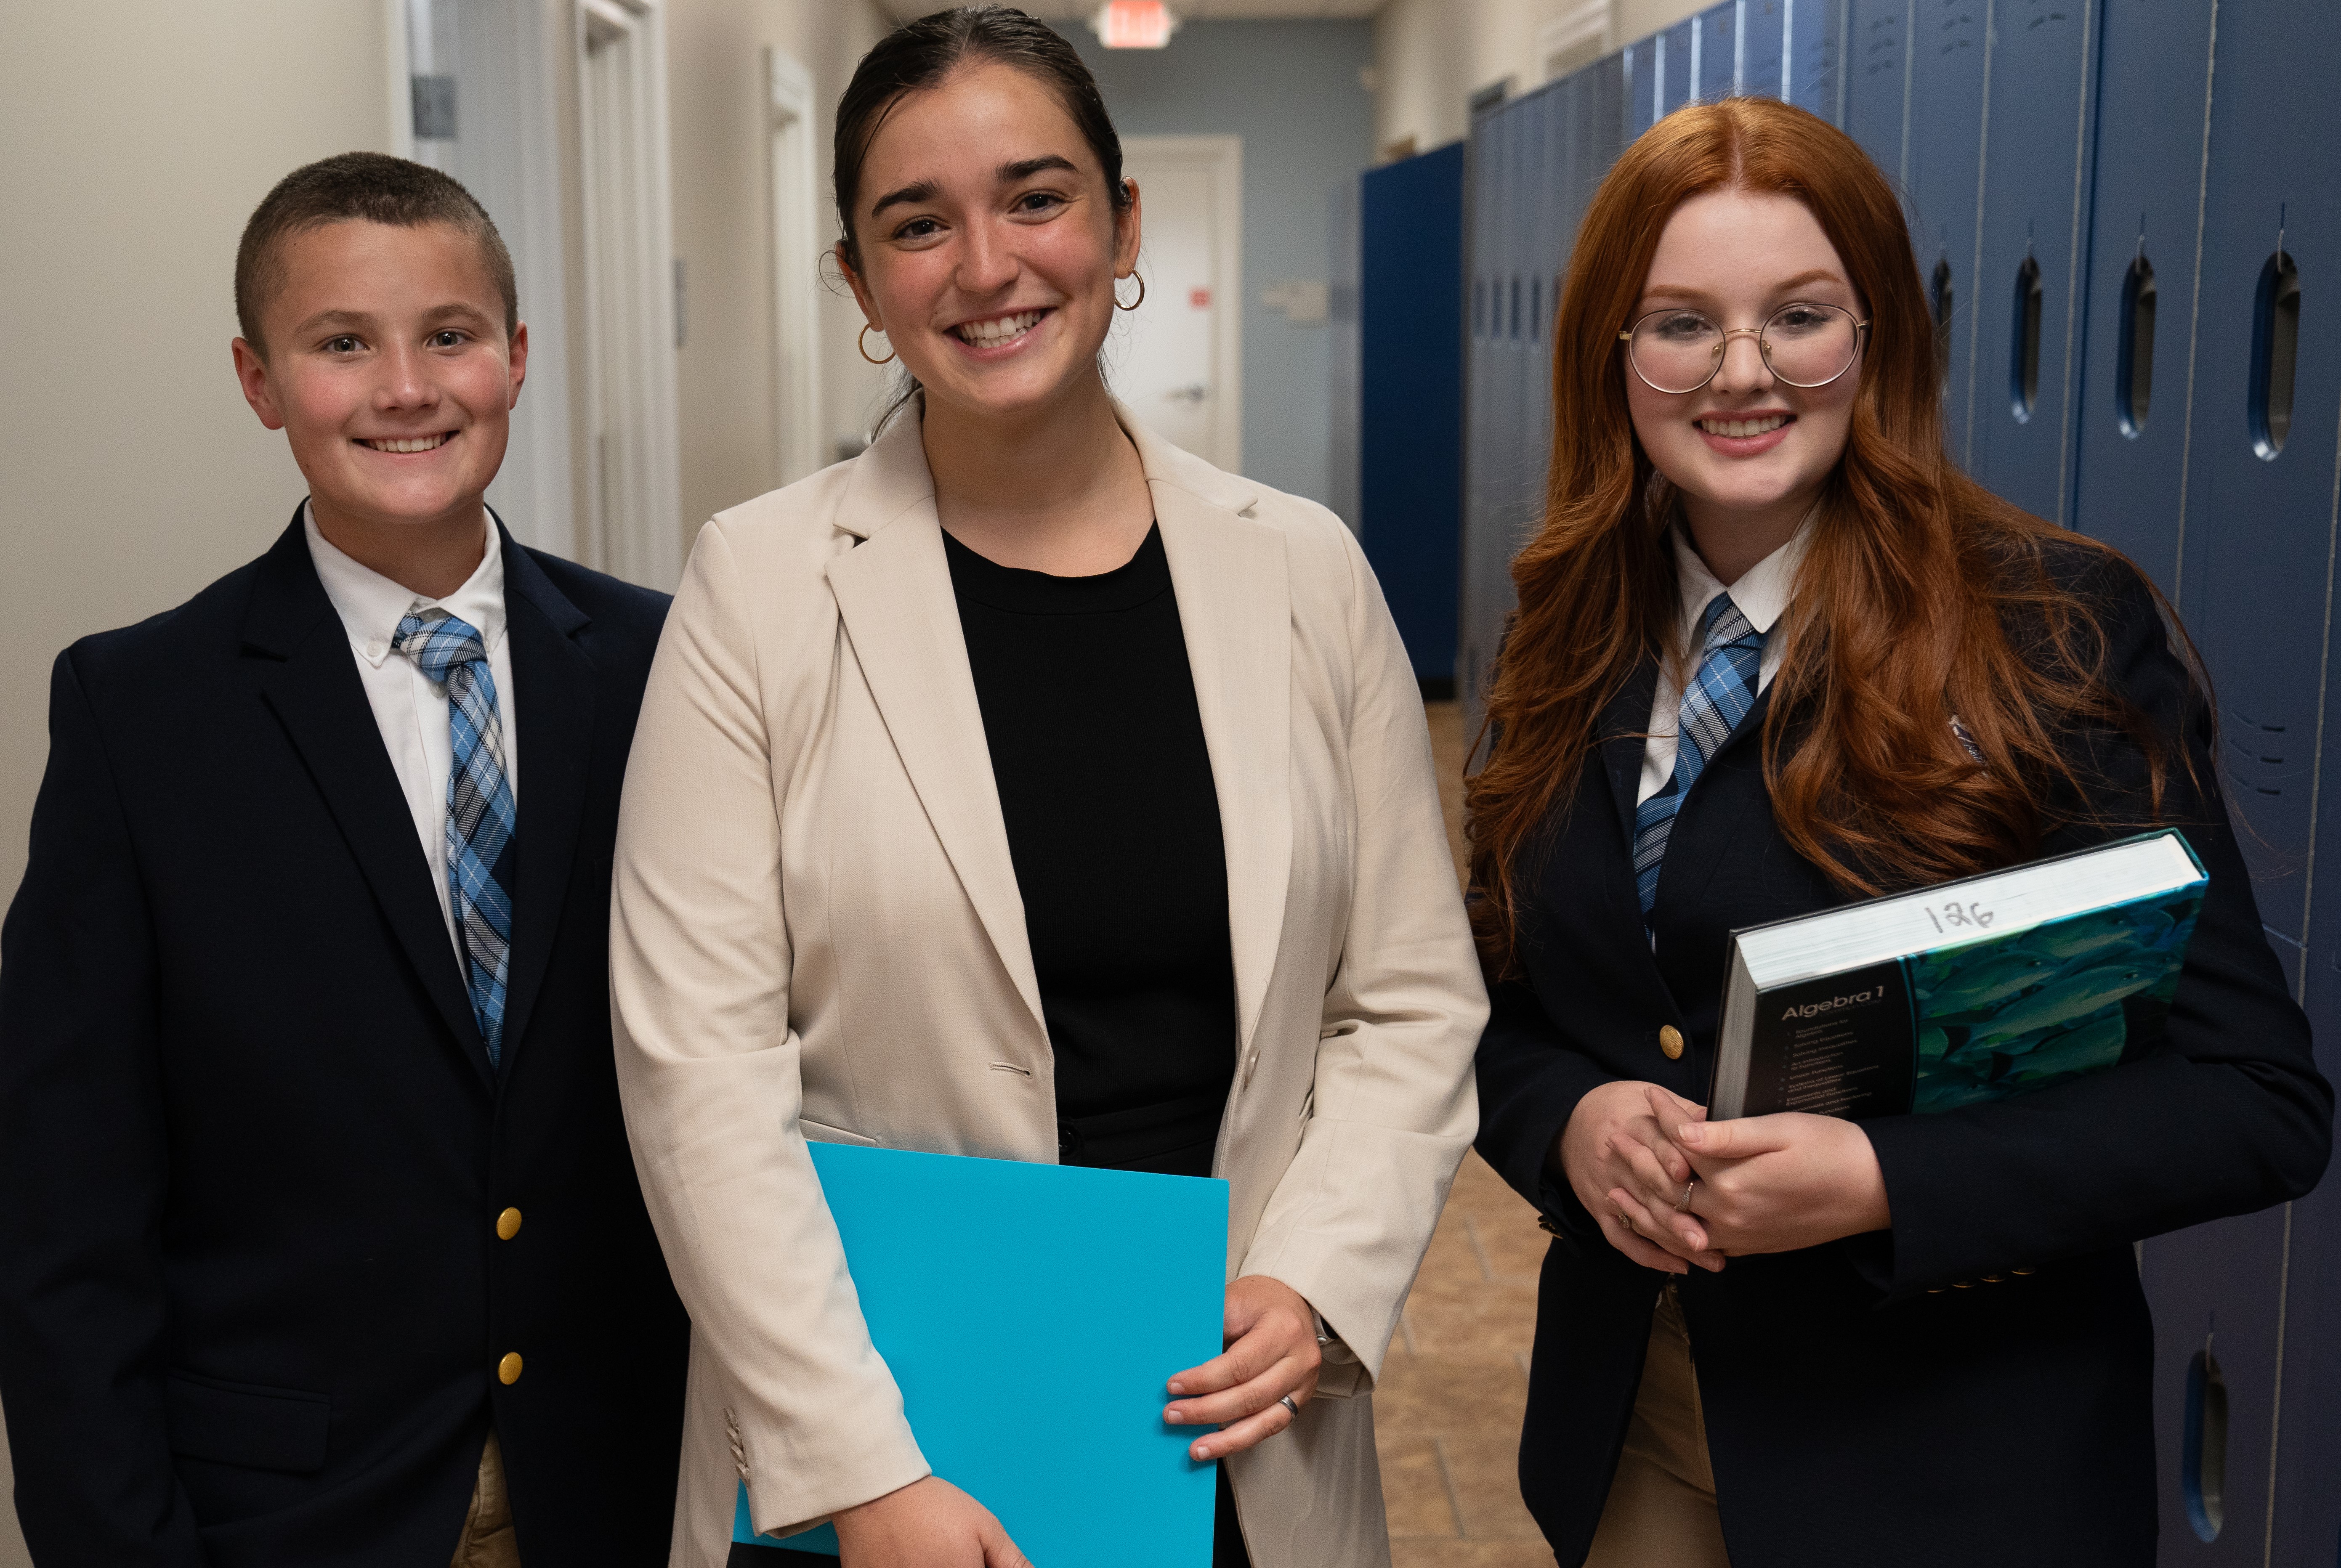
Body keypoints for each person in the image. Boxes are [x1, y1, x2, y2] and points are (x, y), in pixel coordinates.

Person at [606, 10, 1485, 1568]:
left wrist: (1319, 1281)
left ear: (1121, 221)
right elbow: (697, 1074)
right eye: (915, 224)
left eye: (1035, 196)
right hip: (889, 1449)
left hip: (1227, 1420)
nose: (986, 263)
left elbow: (1409, 1000)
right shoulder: (754, 589)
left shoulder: (1303, 570)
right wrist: (856, 1467)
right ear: (859, 281)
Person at [1467, 97, 2331, 1568]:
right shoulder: (1567, 629)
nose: (1740, 374)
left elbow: (2254, 1100)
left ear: (1873, 341)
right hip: (1649, 1430)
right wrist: (1571, 1123)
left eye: (1795, 316)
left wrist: (1880, 1184)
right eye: (1680, 324)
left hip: (1951, 1463)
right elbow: (1505, 1009)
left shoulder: (2047, 634)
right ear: (1611, 359)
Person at [0, 153, 688, 1567]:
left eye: (448, 334)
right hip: (295, 1511)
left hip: (629, 1486)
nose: (406, 388)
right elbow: (67, 1217)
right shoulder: (142, 714)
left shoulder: (661, 662)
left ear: (515, 355)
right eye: (340, 346)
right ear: (258, 380)